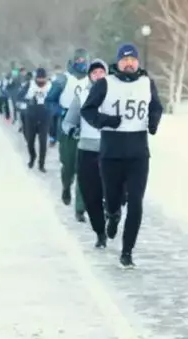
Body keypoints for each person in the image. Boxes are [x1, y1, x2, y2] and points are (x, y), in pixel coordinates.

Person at [81, 43, 164, 269]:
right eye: (124, 59)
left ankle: (127, 251)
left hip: (138, 153)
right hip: (111, 153)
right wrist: (106, 121)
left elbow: (156, 106)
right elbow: (87, 110)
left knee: (136, 202)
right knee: (113, 198)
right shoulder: (105, 84)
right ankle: (113, 214)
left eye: (133, 59)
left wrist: (153, 122)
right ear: (118, 62)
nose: (129, 63)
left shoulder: (147, 83)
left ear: (138, 62)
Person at [62, 59, 110, 248]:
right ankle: (100, 232)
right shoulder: (82, 96)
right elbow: (67, 122)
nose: (98, 76)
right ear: (90, 76)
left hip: (110, 151)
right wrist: (73, 131)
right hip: (87, 150)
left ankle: (112, 213)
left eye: (101, 72)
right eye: (94, 73)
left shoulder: (115, 95)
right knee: (90, 195)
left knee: (111, 191)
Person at [47, 49, 91, 222]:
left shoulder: (92, 79)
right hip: (67, 126)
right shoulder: (63, 79)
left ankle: (80, 208)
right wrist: (61, 112)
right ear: (73, 61)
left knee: (84, 167)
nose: (82, 62)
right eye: (79, 60)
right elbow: (50, 100)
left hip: (86, 125)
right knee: (69, 164)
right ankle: (66, 185)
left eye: (84, 59)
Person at [21, 68, 52, 172]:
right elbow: (19, 96)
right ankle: (32, 156)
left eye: (43, 78)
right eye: (39, 78)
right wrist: (28, 100)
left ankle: (41, 164)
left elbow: (56, 99)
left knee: (43, 141)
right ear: (35, 78)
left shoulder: (50, 85)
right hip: (31, 115)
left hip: (45, 116)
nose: (41, 81)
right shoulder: (30, 85)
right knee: (30, 140)